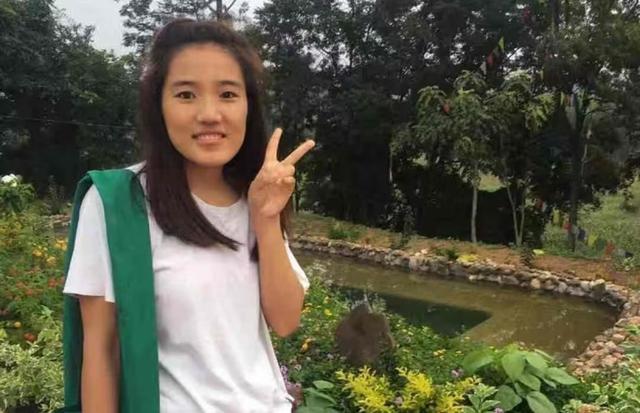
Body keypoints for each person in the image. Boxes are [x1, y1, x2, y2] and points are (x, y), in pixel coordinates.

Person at [61, 18, 314, 412]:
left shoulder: (256, 197)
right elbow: (101, 351)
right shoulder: (117, 203)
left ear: (248, 106)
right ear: (158, 106)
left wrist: (266, 221)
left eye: (227, 94)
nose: (210, 113)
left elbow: (285, 321)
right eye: (186, 95)